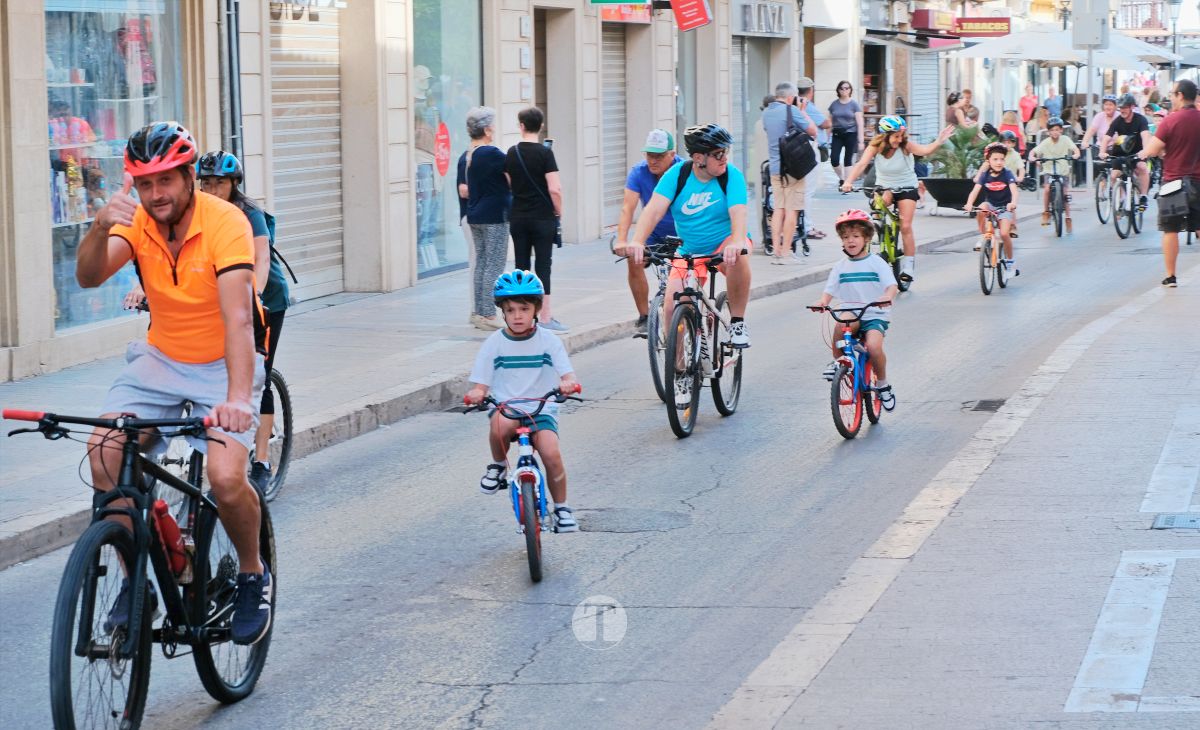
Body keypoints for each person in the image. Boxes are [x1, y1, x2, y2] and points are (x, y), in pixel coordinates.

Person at [76, 122, 272, 646]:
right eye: (144, 184)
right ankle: (136, 580)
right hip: (160, 358)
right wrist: (98, 227)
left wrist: (235, 398)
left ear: (188, 176)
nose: (156, 194)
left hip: (222, 361)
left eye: (166, 181)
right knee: (103, 455)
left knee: (227, 478)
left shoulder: (226, 222)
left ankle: (253, 574)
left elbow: (237, 318)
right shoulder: (139, 220)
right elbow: (90, 277)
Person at [621, 122, 754, 404]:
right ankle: (681, 374)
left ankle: (739, 322)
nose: (724, 158)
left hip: (725, 243)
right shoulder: (677, 176)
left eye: (725, 152)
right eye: (718, 153)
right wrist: (637, 242)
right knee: (672, 305)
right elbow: (653, 210)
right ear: (698, 158)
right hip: (690, 250)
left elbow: (739, 213)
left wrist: (738, 240)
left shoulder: (731, 176)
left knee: (739, 258)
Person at [195, 150, 293, 493]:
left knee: (257, 375)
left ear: (233, 183)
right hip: (223, 298)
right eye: (205, 183)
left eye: (218, 183)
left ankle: (262, 461)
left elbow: (261, 259)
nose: (211, 189)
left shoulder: (249, 214)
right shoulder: (196, 212)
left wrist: (255, 298)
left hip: (266, 300)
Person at [465, 270, 581, 532]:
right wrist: (478, 392)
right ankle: (497, 466)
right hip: (507, 407)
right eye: (511, 310)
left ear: (536, 310)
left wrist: (568, 383)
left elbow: (567, 373)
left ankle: (561, 508)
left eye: (524, 309)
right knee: (499, 426)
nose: (518, 316)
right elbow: (481, 382)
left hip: (541, 408)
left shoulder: (548, 341)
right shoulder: (494, 344)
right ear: (503, 312)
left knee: (551, 453)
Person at [840, 117, 955, 283]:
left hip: (906, 187)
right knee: (878, 206)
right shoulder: (875, 146)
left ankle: (908, 266)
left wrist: (939, 141)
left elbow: (924, 150)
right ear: (884, 135)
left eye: (901, 135)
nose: (899, 139)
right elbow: (861, 164)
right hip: (885, 187)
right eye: (895, 136)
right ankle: (878, 230)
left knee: (905, 225)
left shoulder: (905, 145)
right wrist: (848, 181)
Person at [812, 209, 897, 410]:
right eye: (846, 237)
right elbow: (829, 291)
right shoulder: (840, 266)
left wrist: (887, 297)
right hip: (852, 311)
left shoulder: (877, 263)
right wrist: (822, 301)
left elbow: (891, 285)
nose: (850, 241)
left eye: (856, 236)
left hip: (875, 313)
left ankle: (883, 385)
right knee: (841, 326)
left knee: (874, 347)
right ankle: (838, 362)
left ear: (866, 238)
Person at [505, 106, 568, 332]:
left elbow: (510, 183)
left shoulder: (512, 153)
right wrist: (558, 211)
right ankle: (545, 317)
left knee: (522, 266)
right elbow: (555, 189)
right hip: (542, 217)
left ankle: (521, 315)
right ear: (540, 126)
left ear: (521, 126)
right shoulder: (545, 153)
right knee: (543, 265)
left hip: (519, 217)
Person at [617, 128, 683, 336]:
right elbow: (628, 208)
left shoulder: (684, 171)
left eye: (659, 156)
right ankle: (645, 317)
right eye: (649, 155)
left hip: (683, 234)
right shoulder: (639, 172)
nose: (653, 161)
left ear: (672, 154)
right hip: (653, 234)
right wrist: (622, 240)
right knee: (633, 258)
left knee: (686, 275)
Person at [1138, 79, 1200, 287]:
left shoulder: (1171, 121)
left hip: (1174, 182)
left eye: (1173, 94)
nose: (1171, 98)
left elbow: (1153, 150)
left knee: (1170, 230)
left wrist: (1148, 152)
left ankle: (1171, 276)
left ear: (1181, 96)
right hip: (1198, 181)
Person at [461, 106, 511, 331]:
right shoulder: (491, 153)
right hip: (494, 215)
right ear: (488, 129)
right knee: (494, 264)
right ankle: (489, 314)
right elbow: (512, 176)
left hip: (475, 214)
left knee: (481, 262)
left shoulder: (469, 154)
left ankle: (479, 312)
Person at [760, 81, 817, 262]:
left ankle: (776, 249)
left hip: (775, 169)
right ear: (791, 97)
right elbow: (813, 131)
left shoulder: (766, 113)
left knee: (778, 209)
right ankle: (786, 252)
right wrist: (802, 110)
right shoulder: (791, 111)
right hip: (793, 169)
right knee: (792, 211)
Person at [964, 143, 1021, 275]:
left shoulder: (1007, 173)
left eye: (1001, 159)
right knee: (981, 208)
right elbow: (975, 191)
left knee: (1005, 234)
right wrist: (968, 203)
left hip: (1005, 207)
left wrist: (1013, 203)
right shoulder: (985, 175)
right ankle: (983, 235)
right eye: (995, 159)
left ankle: (1010, 263)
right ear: (988, 160)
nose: (999, 162)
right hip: (991, 205)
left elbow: (1014, 191)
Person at [1099, 93, 1152, 212]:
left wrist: (1145, 151)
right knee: (1113, 175)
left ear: (1132, 107)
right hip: (1120, 153)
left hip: (1137, 152)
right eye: (1120, 107)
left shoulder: (1140, 120)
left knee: (1142, 167)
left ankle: (1143, 196)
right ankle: (1123, 196)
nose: (1122, 110)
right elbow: (1107, 137)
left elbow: (1145, 136)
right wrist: (1102, 152)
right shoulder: (1117, 121)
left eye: (1125, 107)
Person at [1028, 117, 1081, 233]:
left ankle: (1068, 218)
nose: (1055, 132)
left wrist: (1076, 154)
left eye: (1057, 129)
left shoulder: (1066, 139)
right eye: (1052, 130)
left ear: (1061, 130)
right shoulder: (1045, 142)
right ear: (1048, 132)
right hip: (1049, 170)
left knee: (1066, 193)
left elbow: (1075, 149)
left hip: (1063, 170)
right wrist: (1032, 157)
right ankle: (1046, 212)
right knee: (1047, 189)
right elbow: (1034, 152)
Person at [797, 77, 831, 240]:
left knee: (803, 191)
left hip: (799, 152)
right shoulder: (805, 106)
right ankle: (806, 226)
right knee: (807, 191)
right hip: (808, 150)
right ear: (811, 90)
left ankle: (804, 225)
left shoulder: (794, 106)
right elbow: (822, 125)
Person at [828, 80, 865, 184]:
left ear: (850, 90)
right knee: (834, 159)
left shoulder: (854, 104)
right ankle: (842, 178)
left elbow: (860, 123)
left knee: (847, 160)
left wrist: (861, 141)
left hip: (851, 134)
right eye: (842, 88)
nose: (844, 90)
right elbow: (830, 122)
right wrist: (825, 139)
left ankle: (847, 183)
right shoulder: (834, 105)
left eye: (847, 88)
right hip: (837, 134)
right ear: (838, 90)